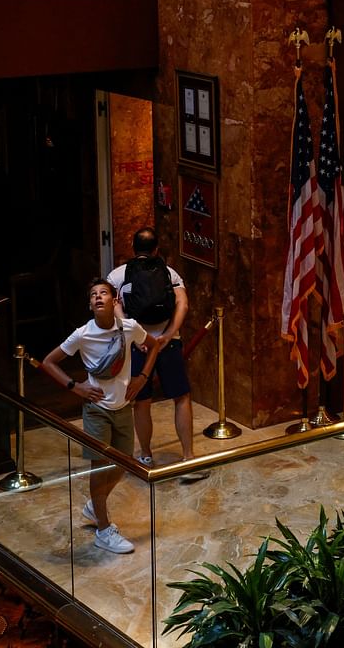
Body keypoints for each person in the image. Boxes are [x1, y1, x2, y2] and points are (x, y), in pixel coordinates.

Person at [42, 277, 159, 554]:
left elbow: (153, 346)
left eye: (103, 293)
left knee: (122, 464)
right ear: (90, 304)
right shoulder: (83, 334)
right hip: (96, 410)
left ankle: (95, 505)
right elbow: (49, 362)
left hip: (122, 408)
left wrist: (143, 377)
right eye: (93, 294)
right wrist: (76, 387)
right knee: (100, 467)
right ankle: (104, 530)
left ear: (114, 300)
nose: (98, 297)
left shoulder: (128, 328)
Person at [107, 226, 208, 482]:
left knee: (141, 402)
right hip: (168, 343)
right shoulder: (170, 272)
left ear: (132, 248)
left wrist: (134, 333)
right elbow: (183, 303)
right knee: (181, 397)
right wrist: (167, 335)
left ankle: (146, 455)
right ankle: (188, 457)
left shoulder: (117, 275)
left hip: (137, 346)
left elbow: (113, 308)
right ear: (156, 249)